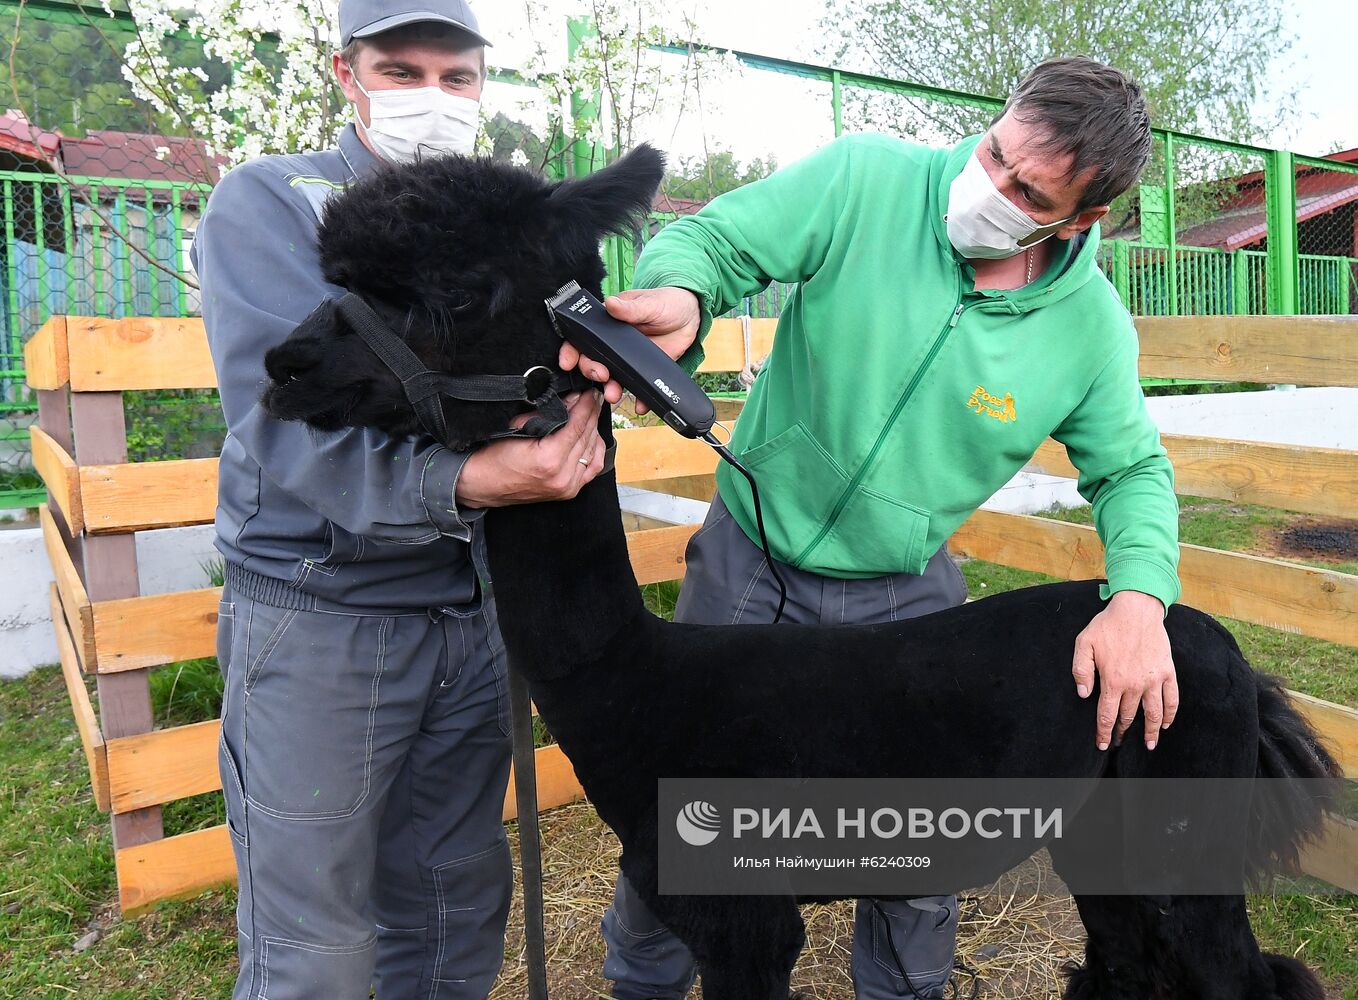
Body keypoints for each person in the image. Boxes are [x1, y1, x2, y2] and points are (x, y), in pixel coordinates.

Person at [563, 57, 1182, 999]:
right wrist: (684, 293)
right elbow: (718, 242)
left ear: (1083, 218)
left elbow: (1133, 469)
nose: (991, 190)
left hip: (904, 597)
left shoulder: (1089, 327)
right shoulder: (864, 179)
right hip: (747, 563)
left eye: (1027, 191)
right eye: (995, 155)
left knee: (915, 843)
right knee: (682, 821)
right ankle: (640, 984)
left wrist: (1140, 595)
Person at [192, 2, 609, 997]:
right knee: (316, 938)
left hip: (468, 612)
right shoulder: (270, 204)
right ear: (347, 73)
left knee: (454, 898)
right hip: (326, 613)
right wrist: (462, 479)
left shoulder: (500, 220)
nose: (434, 97)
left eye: (457, 76)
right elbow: (282, 419)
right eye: (402, 69)